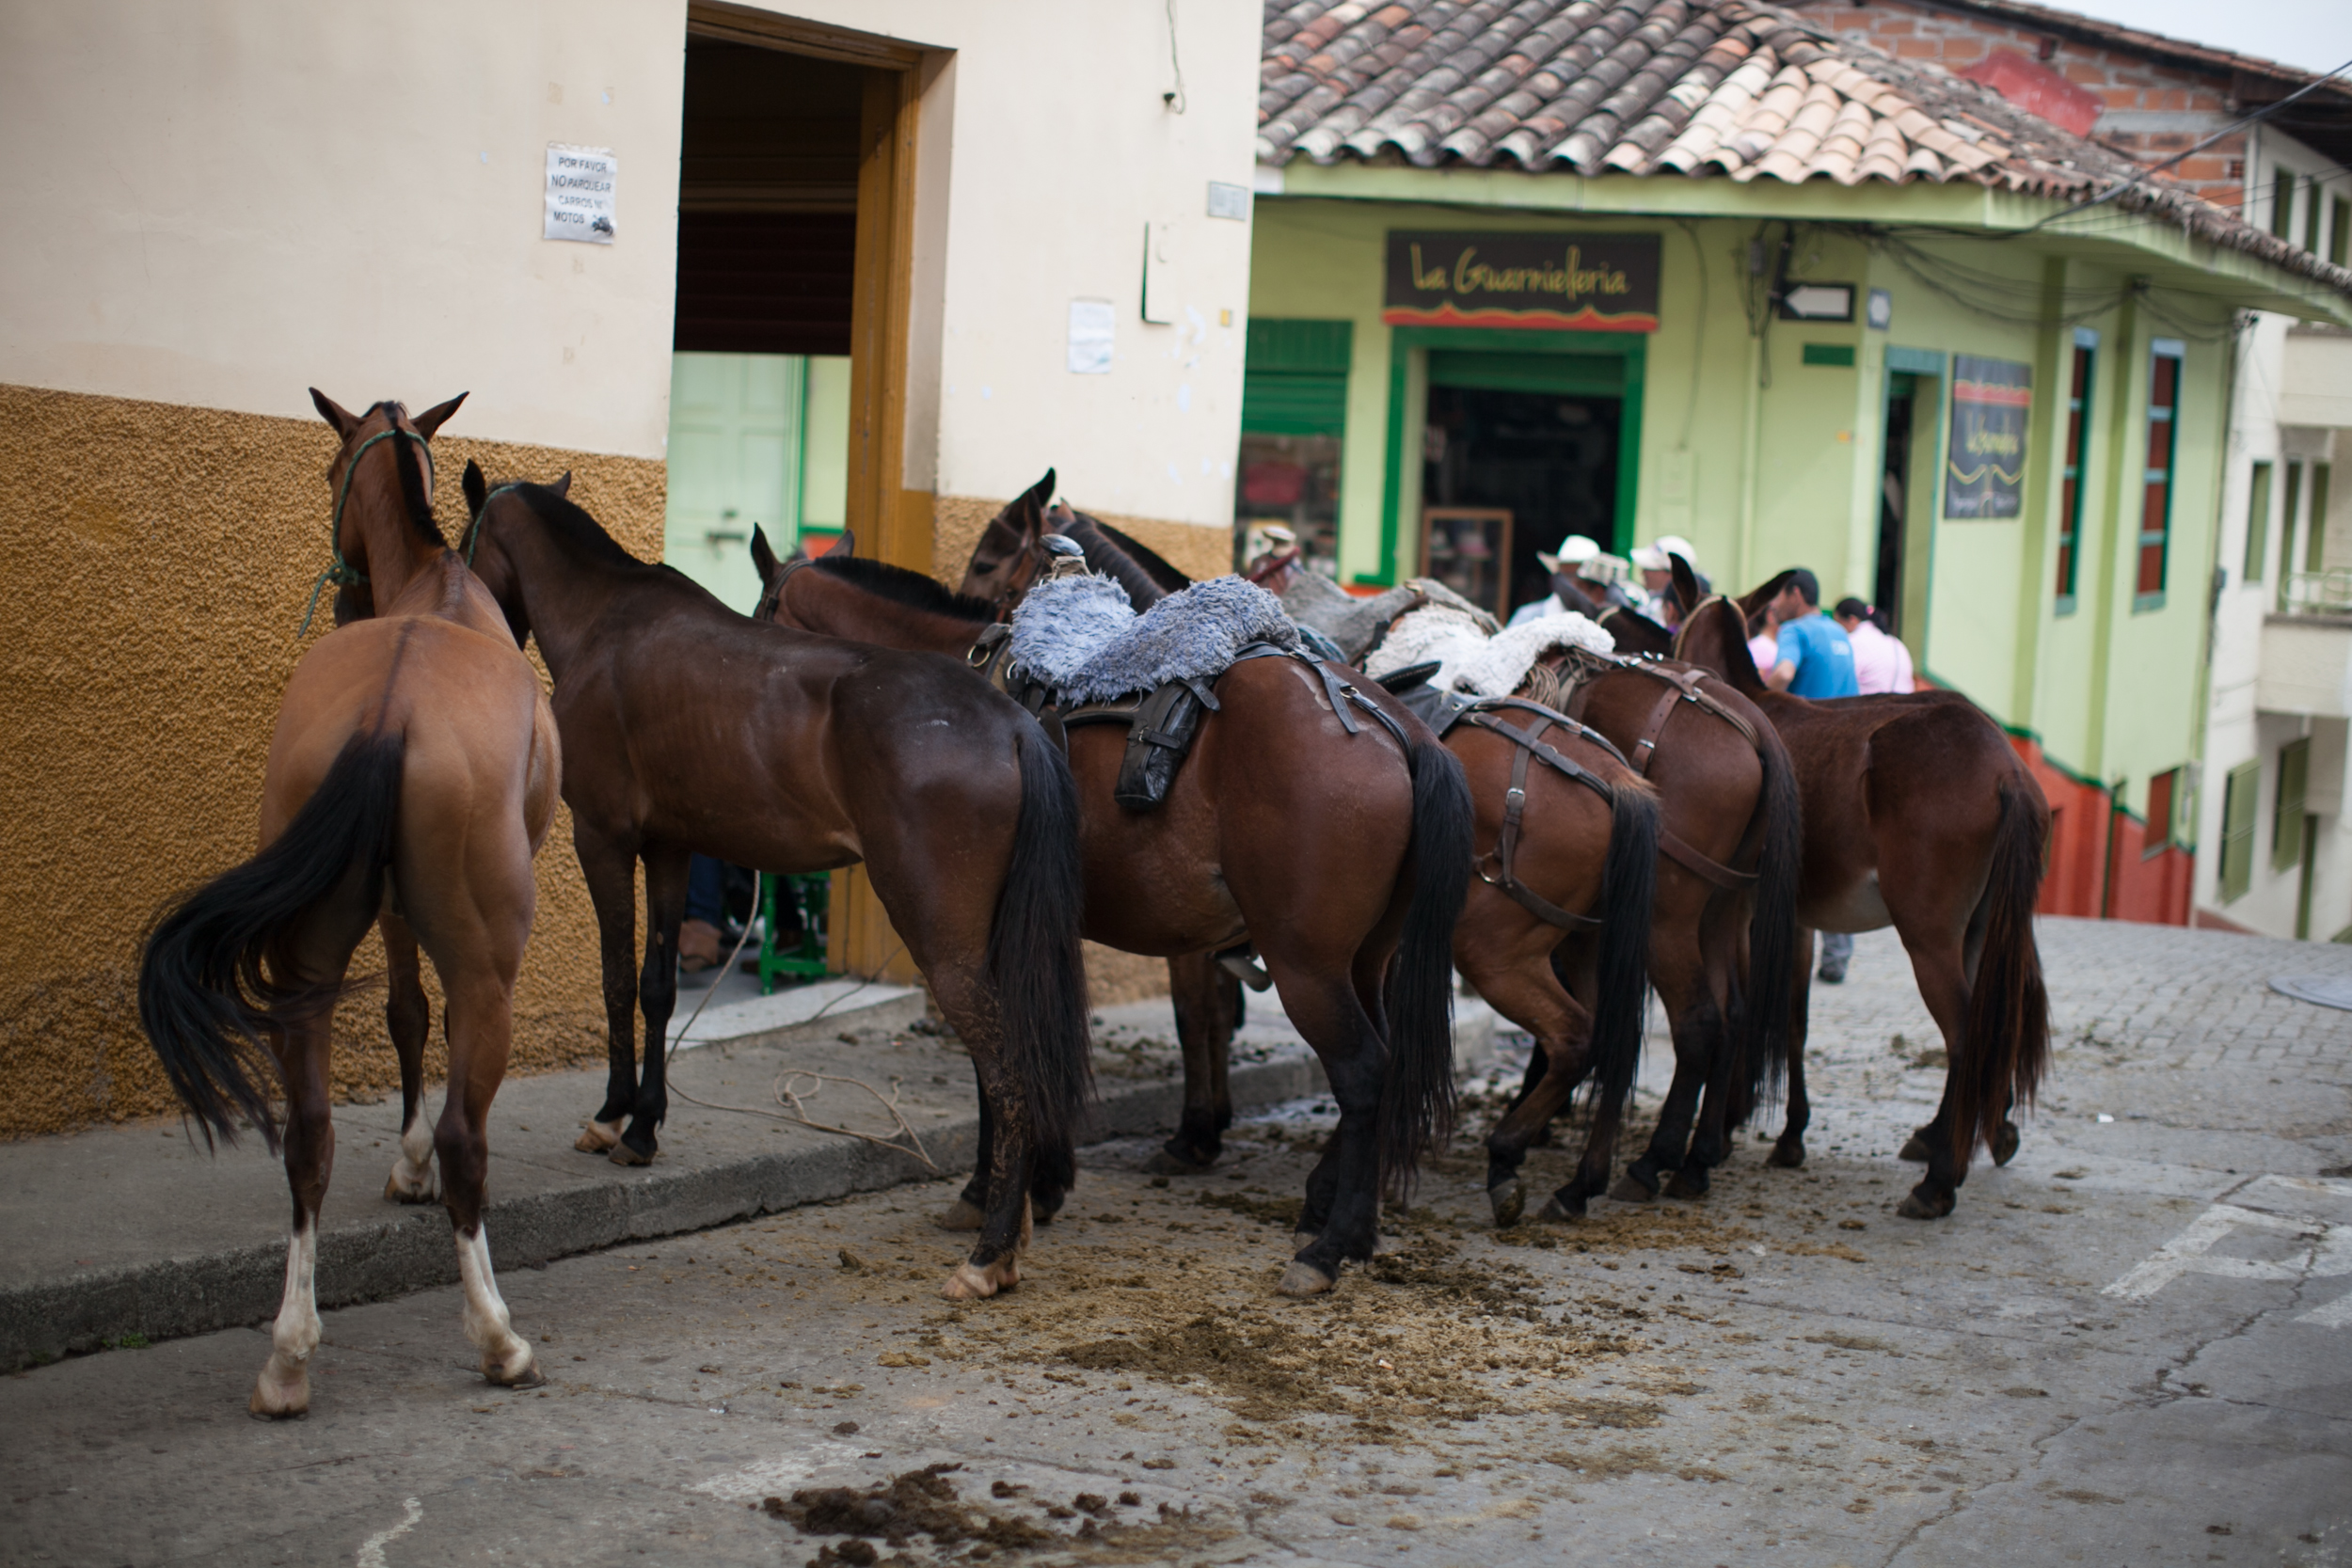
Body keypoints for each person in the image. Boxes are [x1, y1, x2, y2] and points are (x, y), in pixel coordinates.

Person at [1763, 568, 1859, 698]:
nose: (1773, 605)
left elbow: (1783, 674)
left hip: (1809, 717)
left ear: (1795, 595)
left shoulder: (1794, 630)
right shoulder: (1840, 632)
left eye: (1778, 597)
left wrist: (1760, 702)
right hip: (1846, 717)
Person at [1509, 534, 1632, 624]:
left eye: (1579, 579)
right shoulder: (1528, 618)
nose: (1571, 584)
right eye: (1566, 576)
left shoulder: (1606, 626)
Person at [1833, 596, 1916, 694]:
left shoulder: (1855, 641)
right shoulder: (1896, 642)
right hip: (1906, 705)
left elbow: (1841, 682)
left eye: (1837, 623)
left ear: (1852, 620)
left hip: (1873, 706)